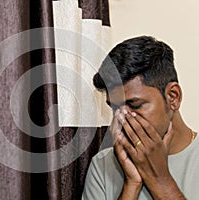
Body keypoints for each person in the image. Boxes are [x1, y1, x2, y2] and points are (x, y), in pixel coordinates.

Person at [82, 36, 199, 199]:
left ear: (173, 97)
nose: (122, 119)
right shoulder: (103, 166)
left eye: (135, 105)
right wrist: (132, 185)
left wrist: (160, 180)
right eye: (115, 108)